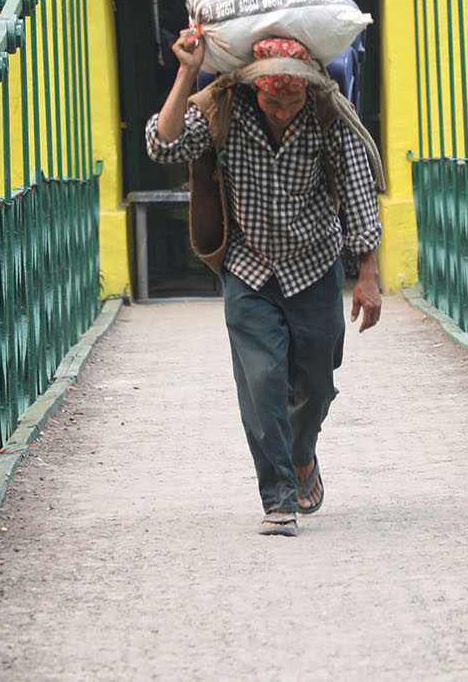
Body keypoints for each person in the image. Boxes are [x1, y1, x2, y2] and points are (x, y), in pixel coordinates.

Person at [145, 29, 383, 537]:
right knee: (262, 383)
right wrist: (187, 71)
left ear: (308, 90)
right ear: (256, 89)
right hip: (249, 268)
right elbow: (162, 145)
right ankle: (278, 498)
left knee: (316, 385)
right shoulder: (224, 109)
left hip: (314, 265)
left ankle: (301, 457)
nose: (283, 111)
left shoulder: (325, 113)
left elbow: (360, 191)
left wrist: (369, 275)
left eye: (292, 100)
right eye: (274, 101)